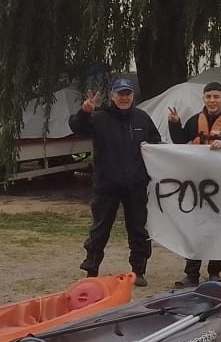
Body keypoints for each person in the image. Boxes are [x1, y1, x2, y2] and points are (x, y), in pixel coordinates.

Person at [69, 77, 161, 287]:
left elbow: (156, 144)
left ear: (133, 96)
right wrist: (84, 112)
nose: (124, 98)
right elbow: (77, 127)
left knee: (138, 229)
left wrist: (151, 153)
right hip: (106, 184)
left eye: (127, 94)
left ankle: (138, 270)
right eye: (120, 94)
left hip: (136, 185)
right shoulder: (99, 118)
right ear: (112, 96)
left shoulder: (142, 118)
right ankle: (91, 269)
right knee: (100, 229)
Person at [167, 82, 221, 287]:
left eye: (216, 97)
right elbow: (180, 143)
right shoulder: (194, 121)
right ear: (203, 98)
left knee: (217, 229)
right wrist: (175, 125)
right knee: (195, 228)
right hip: (197, 183)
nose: (212, 100)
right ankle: (191, 273)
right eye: (208, 97)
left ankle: (214, 272)